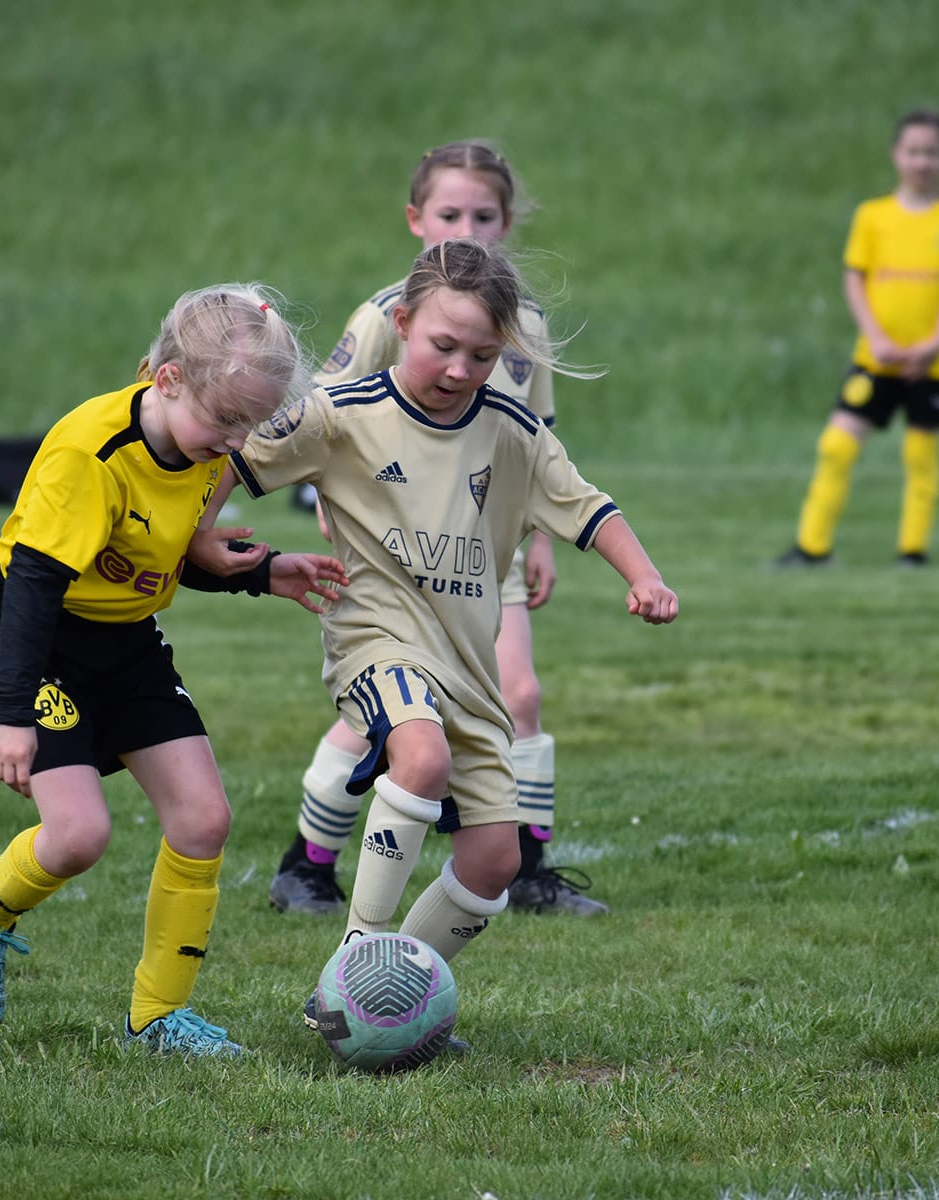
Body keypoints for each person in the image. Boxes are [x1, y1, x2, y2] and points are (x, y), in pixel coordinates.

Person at [194, 237, 677, 1012]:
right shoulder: (340, 416)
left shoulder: (512, 433)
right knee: (417, 759)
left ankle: (394, 993)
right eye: (443, 346)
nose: (459, 369)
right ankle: (352, 971)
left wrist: (644, 575)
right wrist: (199, 536)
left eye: (482, 355)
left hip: (469, 672)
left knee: (493, 862)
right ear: (403, 320)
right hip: (375, 644)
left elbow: (588, 506)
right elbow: (226, 457)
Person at [0, 283, 348, 1056]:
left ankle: (156, 1018)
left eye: (250, 426)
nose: (233, 442)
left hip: (126, 640)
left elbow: (155, 558)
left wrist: (263, 574)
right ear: (165, 380)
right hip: (40, 641)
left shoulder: (198, 445)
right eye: (224, 420)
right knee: (78, 835)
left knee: (204, 820)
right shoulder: (90, 452)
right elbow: (33, 586)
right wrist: (11, 712)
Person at [266, 139, 608, 917]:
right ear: (417, 218)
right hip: (396, 544)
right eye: (450, 213)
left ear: (508, 222)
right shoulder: (392, 311)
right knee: (392, 716)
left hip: (490, 548)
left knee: (516, 695)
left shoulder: (527, 323)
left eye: (484, 215)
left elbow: (539, 440)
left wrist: (544, 538)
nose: (468, 228)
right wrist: (330, 507)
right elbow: (324, 422)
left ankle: (524, 868)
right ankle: (308, 863)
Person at [776, 109, 939, 568]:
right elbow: (855, 280)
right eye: (913, 151)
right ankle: (812, 548)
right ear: (896, 155)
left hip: (931, 362)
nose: (922, 161)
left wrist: (933, 344)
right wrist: (876, 338)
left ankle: (912, 551)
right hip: (877, 358)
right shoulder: (873, 216)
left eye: (931, 152)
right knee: (836, 446)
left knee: (920, 454)